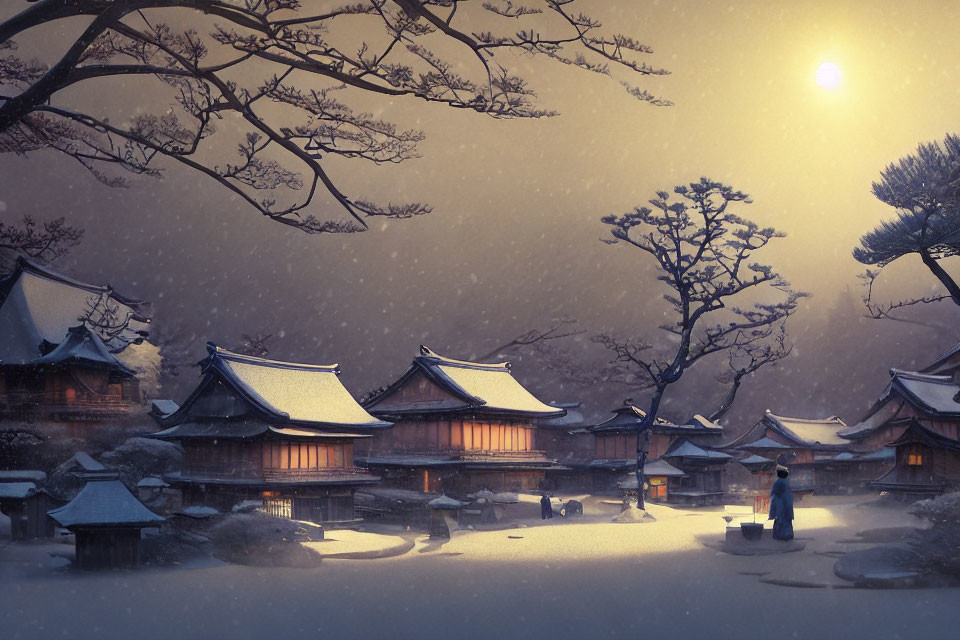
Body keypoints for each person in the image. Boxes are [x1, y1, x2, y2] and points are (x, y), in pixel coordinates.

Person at [768, 465, 794, 541]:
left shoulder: (778, 483)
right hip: (785, 508)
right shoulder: (785, 483)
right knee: (785, 523)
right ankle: (786, 536)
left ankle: (781, 537)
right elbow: (788, 498)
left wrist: (772, 513)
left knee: (780, 523)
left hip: (780, 508)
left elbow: (774, 498)